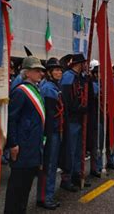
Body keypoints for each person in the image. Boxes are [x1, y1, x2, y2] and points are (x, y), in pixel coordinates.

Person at [4, 56, 46, 214]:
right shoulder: (21, 91)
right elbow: (12, 119)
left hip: (33, 146)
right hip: (22, 146)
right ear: (27, 72)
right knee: (16, 188)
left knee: (25, 188)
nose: (40, 73)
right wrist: (13, 143)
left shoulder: (36, 89)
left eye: (41, 71)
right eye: (37, 70)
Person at [36, 58, 63, 210]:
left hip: (55, 131)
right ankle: (46, 197)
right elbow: (51, 115)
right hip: (51, 132)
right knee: (49, 165)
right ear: (49, 72)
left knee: (49, 165)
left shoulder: (53, 86)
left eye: (60, 69)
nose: (59, 72)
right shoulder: (49, 89)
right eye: (56, 70)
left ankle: (45, 196)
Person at [60, 53, 89, 190]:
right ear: (79, 64)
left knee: (78, 150)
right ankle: (67, 179)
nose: (85, 66)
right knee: (70, 151)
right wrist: (79, 108)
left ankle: (77, 176)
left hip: (78, 118)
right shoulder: (68, 77)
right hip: (71, 119)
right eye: (84, 63)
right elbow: (67, 100)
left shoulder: (79, 77)